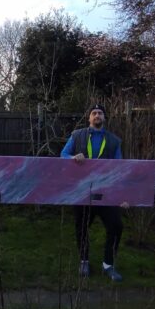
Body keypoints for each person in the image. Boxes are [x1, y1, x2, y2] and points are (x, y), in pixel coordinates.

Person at [61, 103, 129, 282]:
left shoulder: (114, 140)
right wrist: (73, 158)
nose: (97, 115)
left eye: (100, 113)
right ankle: (84, 261)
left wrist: (121, 196)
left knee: (116, 226)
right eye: (94, 113)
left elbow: (119, 168)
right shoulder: (77, 136)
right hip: (82, 191)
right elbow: (63, 155)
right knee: (81, 227)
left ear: (104, 118)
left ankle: (108, 264)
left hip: (106, 192)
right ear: (89, 118)